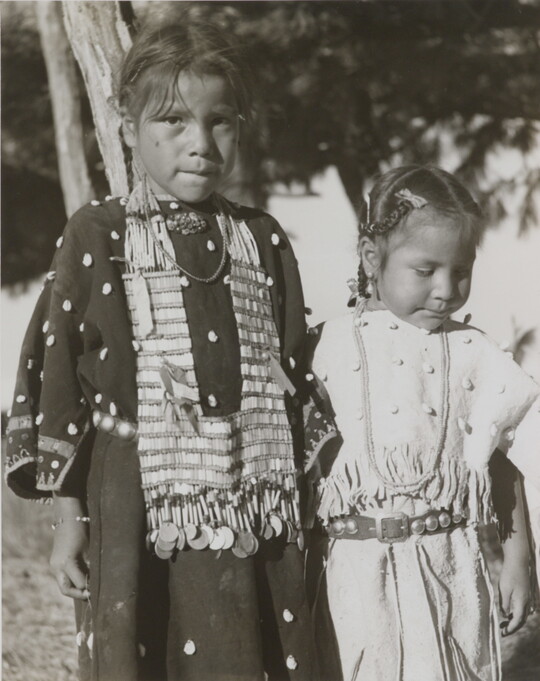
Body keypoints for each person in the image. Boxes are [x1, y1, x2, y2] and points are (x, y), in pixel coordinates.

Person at [5, 21, 318, 681]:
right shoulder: (98, 234)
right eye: (173, 121)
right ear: (127, 128)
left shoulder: (262, 239)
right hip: (133, 504)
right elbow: (58, 381)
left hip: (254, 500)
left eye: (219, 120)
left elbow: (292, 375)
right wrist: (69, 518)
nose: (200, 142)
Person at [303, 165, 540, 681]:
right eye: (425, 270)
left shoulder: (472, 353)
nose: (445, 290)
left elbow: (498, 466)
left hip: (447, 568)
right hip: (354, 579)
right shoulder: (323, 349)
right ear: (372, 257)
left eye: (461, 271)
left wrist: (520, 558)